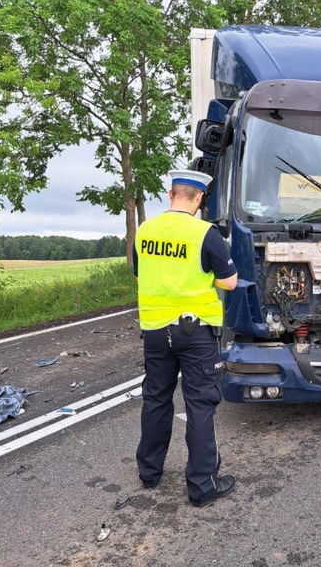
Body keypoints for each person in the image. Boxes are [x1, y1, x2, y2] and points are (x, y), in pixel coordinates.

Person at [133, 169, 238, 507]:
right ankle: (202, 487)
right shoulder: (205, 233)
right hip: (195, 334)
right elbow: (229, 282)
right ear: (199, 198)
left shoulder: (144, 230)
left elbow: (141, 270)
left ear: (170, 194)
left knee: (156, 400)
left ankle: (149, 473)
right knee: (200, 405)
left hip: (154, 332)